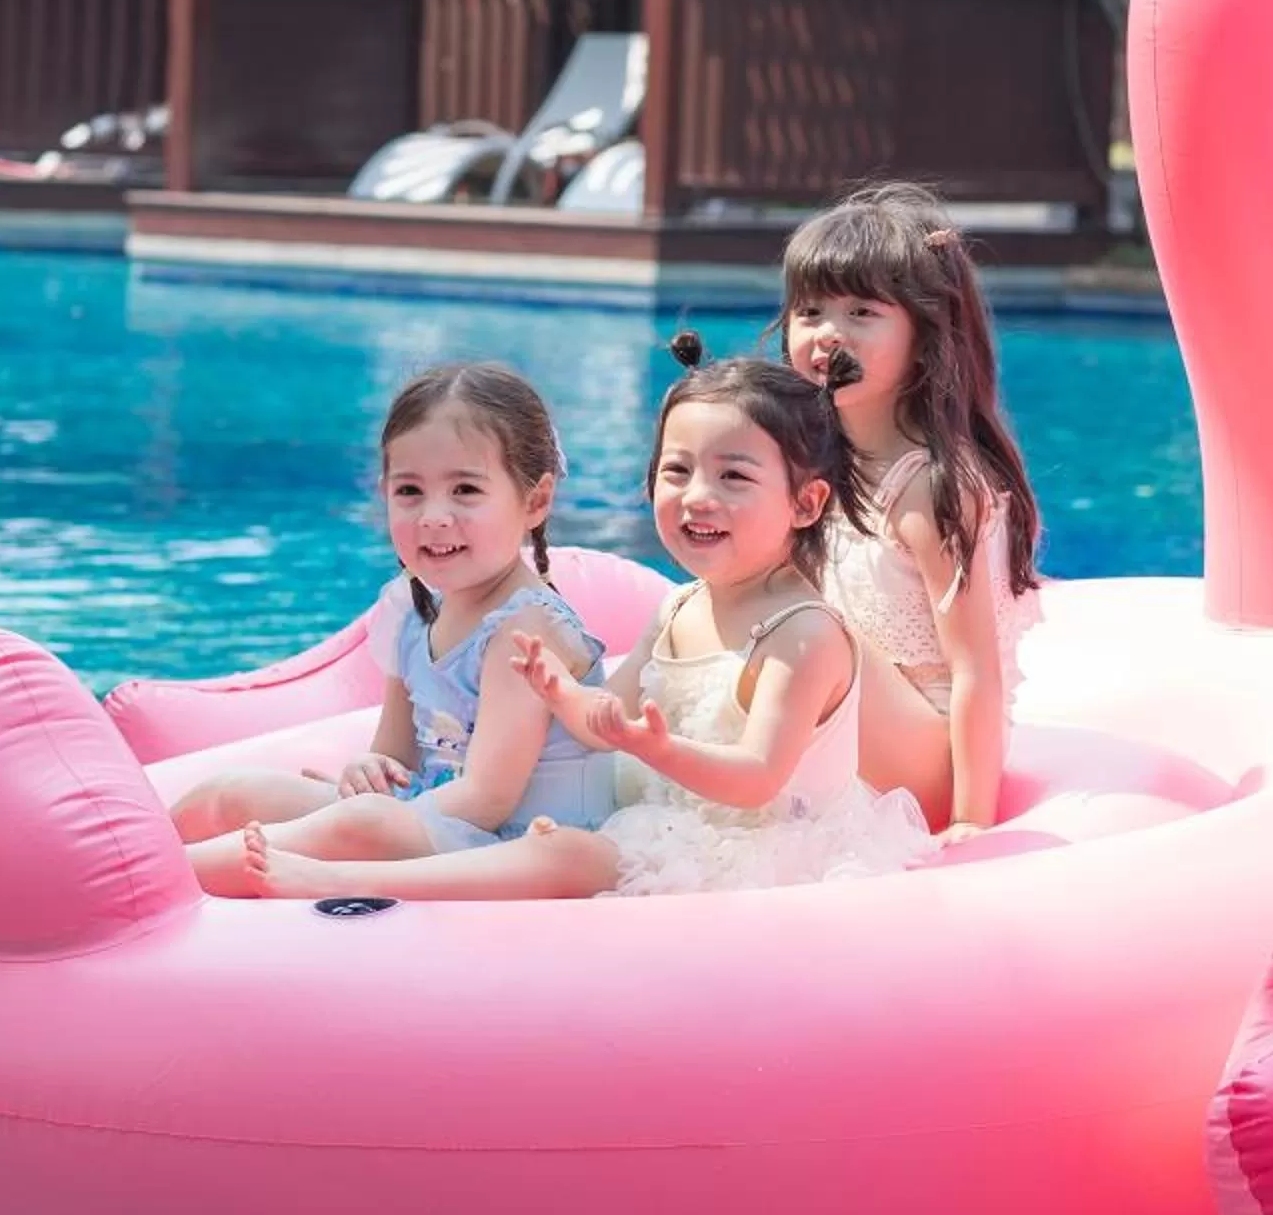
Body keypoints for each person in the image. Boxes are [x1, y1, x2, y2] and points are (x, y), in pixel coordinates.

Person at [220, 335, 932, 902]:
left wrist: (654, 747)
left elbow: (755, 780)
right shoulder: (679, 606)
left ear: (806, 503)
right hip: (656, 822)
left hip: (754, 848)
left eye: (733, 476)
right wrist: (561, 694)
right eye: (677, 470)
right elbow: (600, 725)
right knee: (559, 846)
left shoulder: (804, 634)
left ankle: (346, 880)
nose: (695, 496)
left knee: (562, 855)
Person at [152, 361, 612, 892]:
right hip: (435, 819)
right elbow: (395, 757)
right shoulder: (413, 611)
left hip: (514, 848)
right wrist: (368, 771)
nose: (433, 515)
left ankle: (148, 883)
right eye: (409, 491)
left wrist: (371, 813)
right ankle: (124, 853)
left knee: (363, 822)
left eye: (465, 489)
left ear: (535, 501)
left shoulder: (526, 628)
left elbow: (487, 799)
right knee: (233, 793)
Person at [777, 184, 1045, 836]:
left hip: (929, 757)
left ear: (923, 337)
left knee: (798, 626)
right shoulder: (811, 463)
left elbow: (975, 670)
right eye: (810, 311)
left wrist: (970, 819)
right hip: (843, 730)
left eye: (862, 312)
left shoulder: (932, 486)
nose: (829, 333)